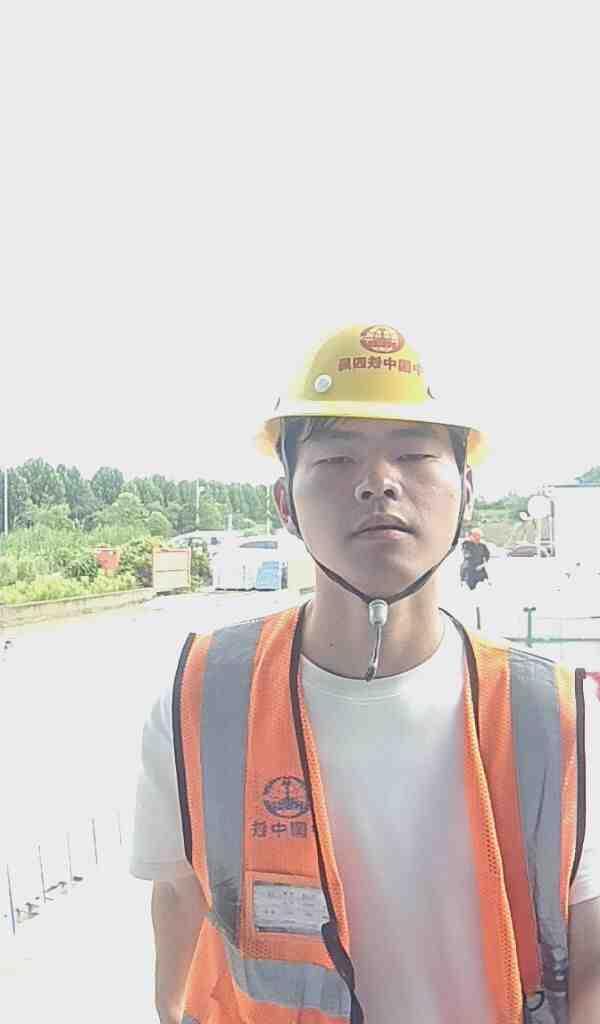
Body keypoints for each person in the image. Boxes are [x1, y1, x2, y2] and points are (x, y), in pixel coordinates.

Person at [130, 324, 600, 1024]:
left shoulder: (553, 716)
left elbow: (591, 951)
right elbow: (178, 895)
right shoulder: (203, 698)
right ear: (285, 504)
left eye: (413, 455)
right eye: (336, 458)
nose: (378, 482)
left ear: (467, 492)